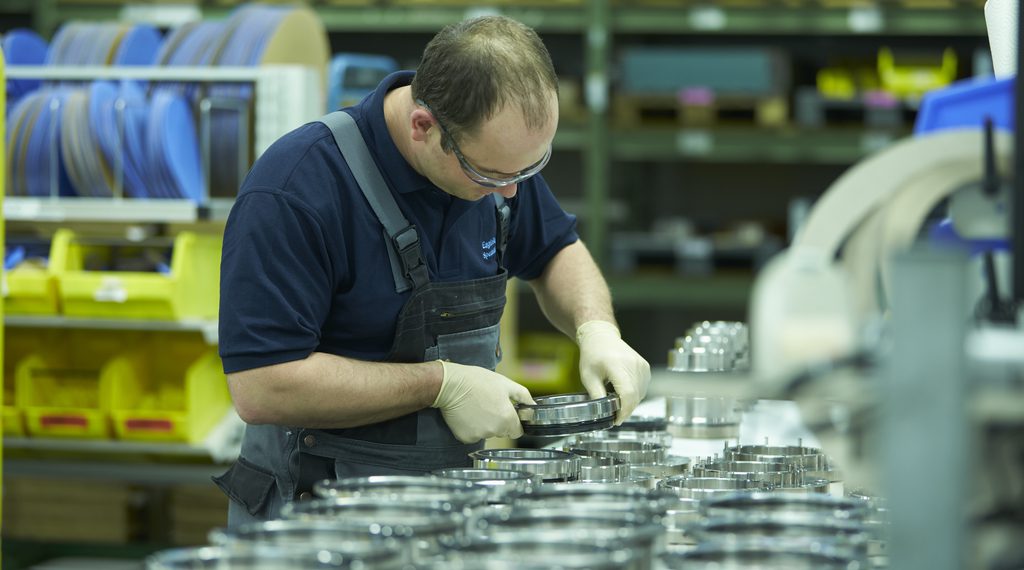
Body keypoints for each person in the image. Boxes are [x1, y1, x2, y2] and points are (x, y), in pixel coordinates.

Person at [214, 15, 650, 526]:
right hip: (316, 520)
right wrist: (441, 384)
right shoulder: (297, 190)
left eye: (529, 170)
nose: (511, 192)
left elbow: (556, 249)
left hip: (446, 512)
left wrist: (596, 328)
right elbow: (262, 385)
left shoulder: (498, 163)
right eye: (490, 174)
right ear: (424, 126)